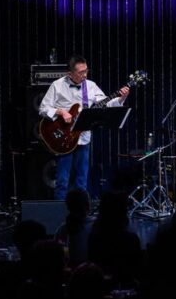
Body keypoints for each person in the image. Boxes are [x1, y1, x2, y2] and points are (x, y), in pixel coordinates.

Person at [39, 55, 130, 200]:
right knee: (62, 179)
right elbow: (43, 108)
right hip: (64, 137)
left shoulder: (90, 86)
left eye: (86, 71)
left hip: (83, 137)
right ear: (70, 73)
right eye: (81, 72)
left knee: (82, 178)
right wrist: (61, 112)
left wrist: (121, 98)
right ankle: (59, 209)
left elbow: (106, 103)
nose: (85, 75)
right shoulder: (57, 85)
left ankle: (81, 208)